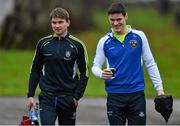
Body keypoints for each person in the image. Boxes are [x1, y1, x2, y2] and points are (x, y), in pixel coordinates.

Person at [92, 2, 165, 125]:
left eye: (119, 19)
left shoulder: (139, 36)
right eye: (112, 20)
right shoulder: (104, 41)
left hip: (136, 95)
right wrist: (101, 73)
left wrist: (160, 89)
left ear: (126, 16)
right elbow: (95, 66)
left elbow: (150, 63)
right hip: (114, 95)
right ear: (108, 19)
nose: (115, 23)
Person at [27, 7, 89, 125]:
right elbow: (35, 70)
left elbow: (85, 73)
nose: (57, 26)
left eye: (60, 22)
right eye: (54, 22)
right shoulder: (43, 43)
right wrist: (30, 95)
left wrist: (76, 97)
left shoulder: (78, 45)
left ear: (68, 23)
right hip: (47, 98)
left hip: (68, 99)